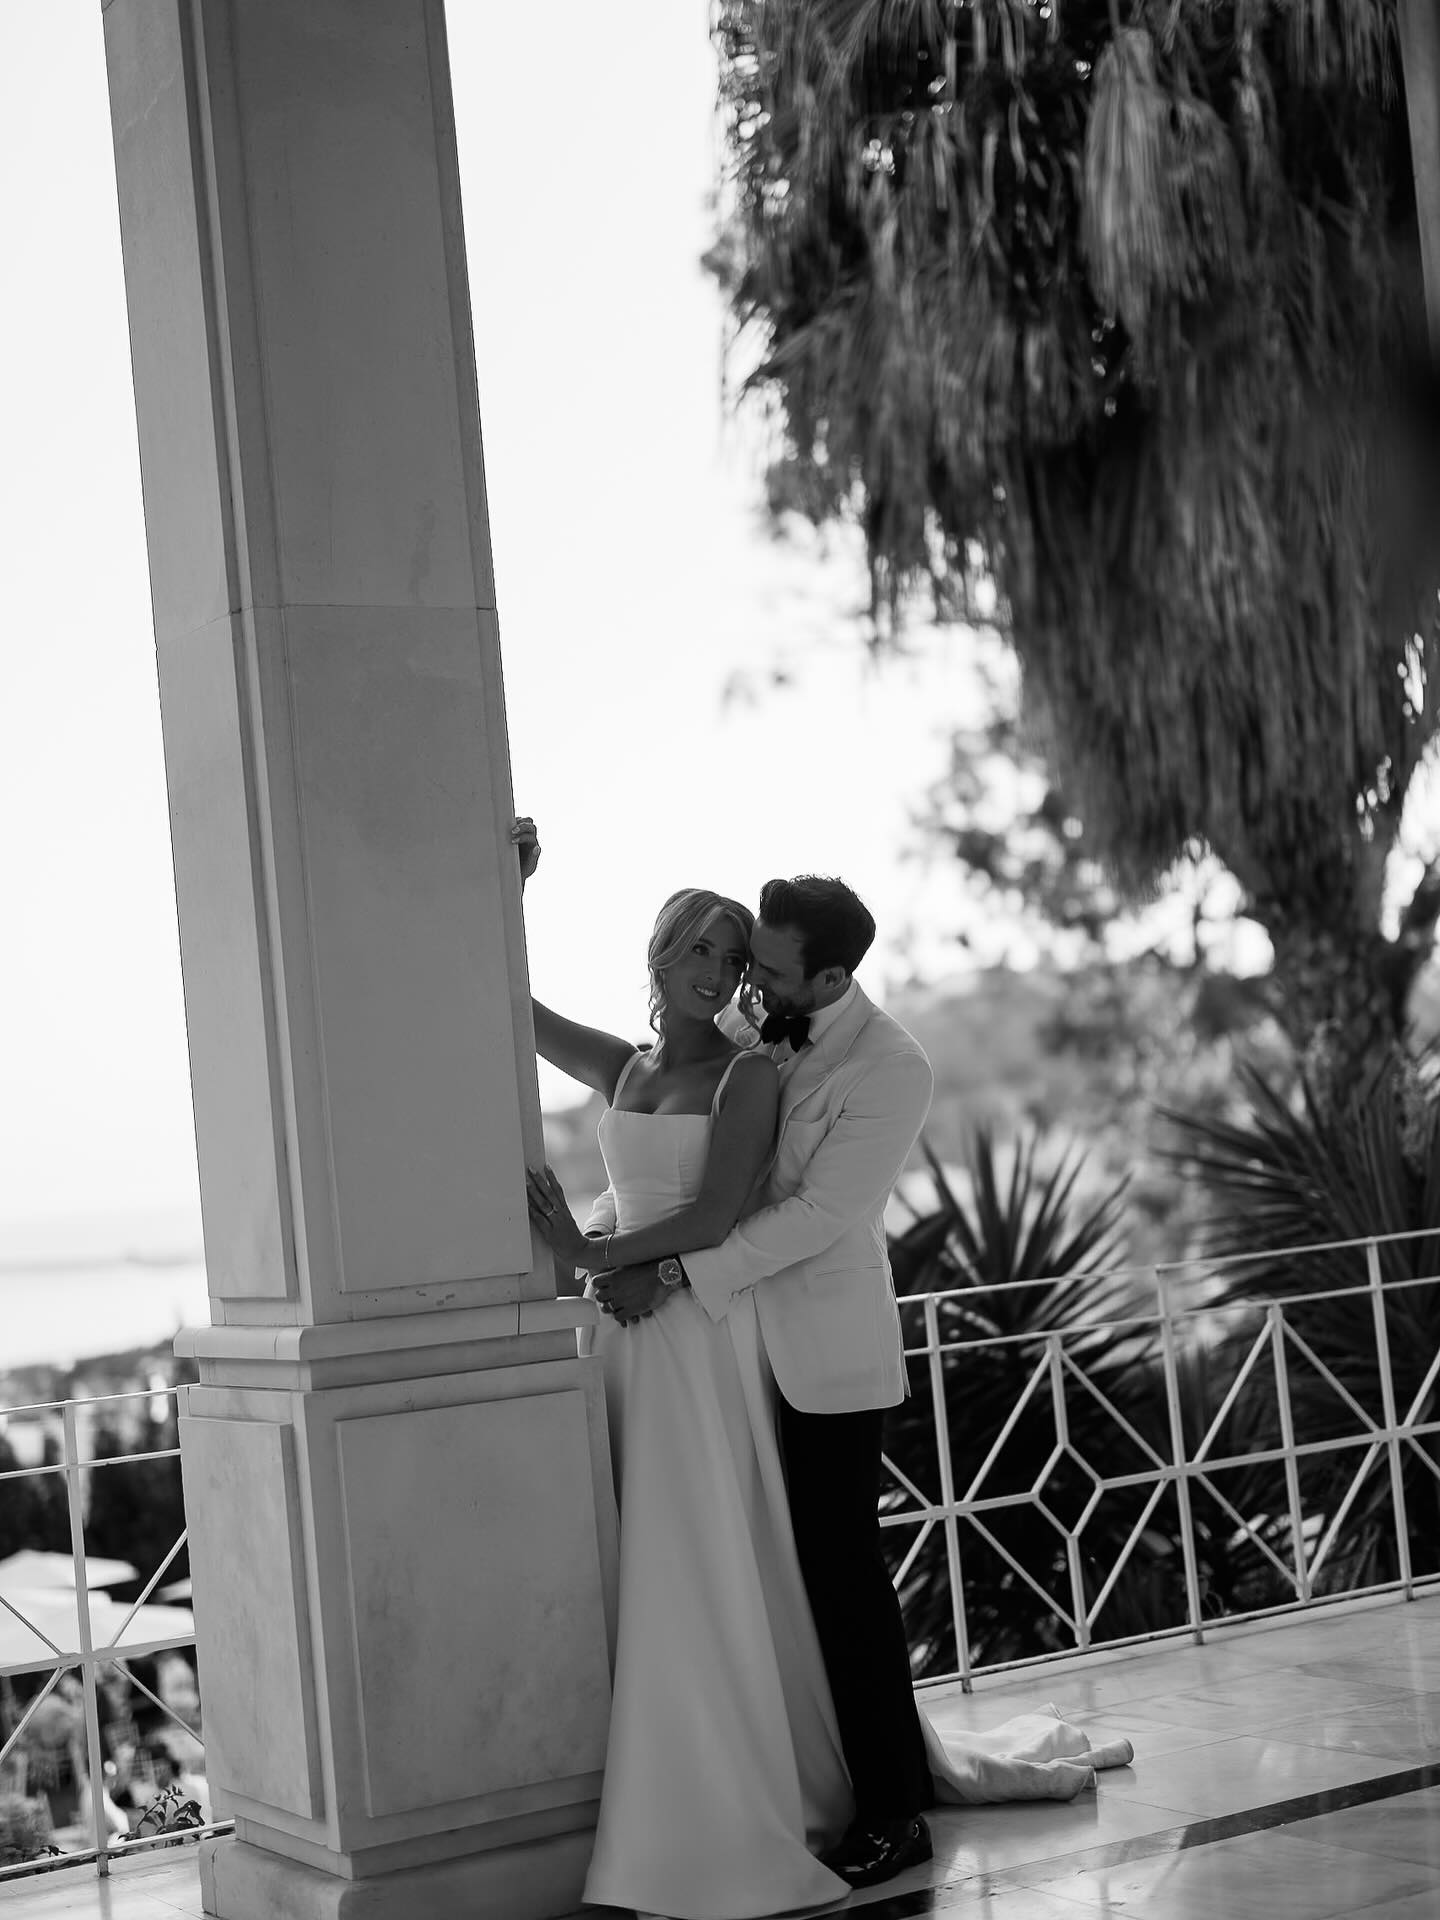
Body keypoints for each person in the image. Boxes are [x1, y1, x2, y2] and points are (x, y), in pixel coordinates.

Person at [513, 820, 1132, 1918]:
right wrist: (498, 891)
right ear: (660, 957)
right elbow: (527, 1026)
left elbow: (801, 1217)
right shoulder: (732, 1040)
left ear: (826, 974)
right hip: (670, 1336)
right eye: (717, 956)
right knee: (748, 1575)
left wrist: (615, 1261)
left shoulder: (886, 1065)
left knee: (838, 1585)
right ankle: (786, 1766)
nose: (738, 978)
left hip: (798, 1353)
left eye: (754, 962)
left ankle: (884, 1809)